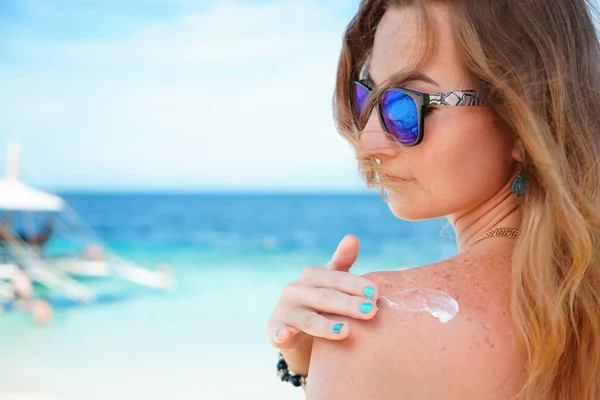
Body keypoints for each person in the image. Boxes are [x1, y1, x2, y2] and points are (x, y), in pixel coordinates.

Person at [266, 0, 600, 399]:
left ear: (522, 120)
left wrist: (320, 366)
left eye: (405, 105)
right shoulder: (581, 309)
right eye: (366, 98)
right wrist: (306, 362)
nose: (367, 141)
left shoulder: (376, 326)